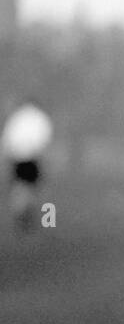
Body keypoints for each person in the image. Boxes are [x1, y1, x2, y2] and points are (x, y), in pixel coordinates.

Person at [1, 97, 52, 235]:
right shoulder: (39, 118)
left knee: (20, 187)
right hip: (32, 157)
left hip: (17, 158)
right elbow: (44, 139)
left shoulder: (16, 117)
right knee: (32, 188)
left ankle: (22, 216)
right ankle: (40, 219)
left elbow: (7, 140)